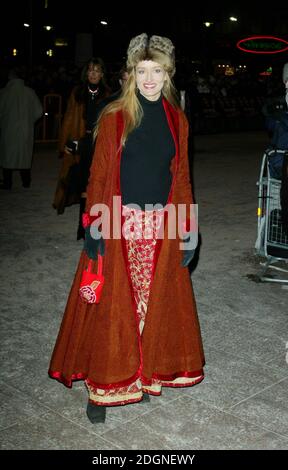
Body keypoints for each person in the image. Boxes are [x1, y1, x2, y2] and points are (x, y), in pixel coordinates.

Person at [48, 33, 205, 424]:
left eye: (157, 71)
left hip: (161, 226)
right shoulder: (114, 114)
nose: (149, 79)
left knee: (150, 308)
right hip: (120, 224)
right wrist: (95, 227)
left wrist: (190, 228)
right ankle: (102, 390)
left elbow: (182, 177)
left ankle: (142, 376)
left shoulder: (178, 119)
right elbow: (100, 174)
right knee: (111, 309)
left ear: (168, 74)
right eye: (141, 70)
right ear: (130, 73)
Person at [52, 57, 111, 239]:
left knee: (99, 185)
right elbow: (69, 117)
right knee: (82, 186)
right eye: (91, 70)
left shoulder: (108, 94)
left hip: (99, 145)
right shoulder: (77, 92)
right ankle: (82, 226)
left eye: (97, 70)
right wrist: (67, 142)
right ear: (86, 73)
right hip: (81, 143)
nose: (93, 74)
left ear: (102, 74)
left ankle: (97, 226)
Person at [0, 68, 43, 189]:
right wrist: (30, 120)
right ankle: (26, 181)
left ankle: (8, 183)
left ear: (10, 77)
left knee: (7, 157)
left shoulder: (4, 92)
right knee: (24, 156)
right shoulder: (30, 92)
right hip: (26, 129)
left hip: (8, 129)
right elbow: (39, 111)